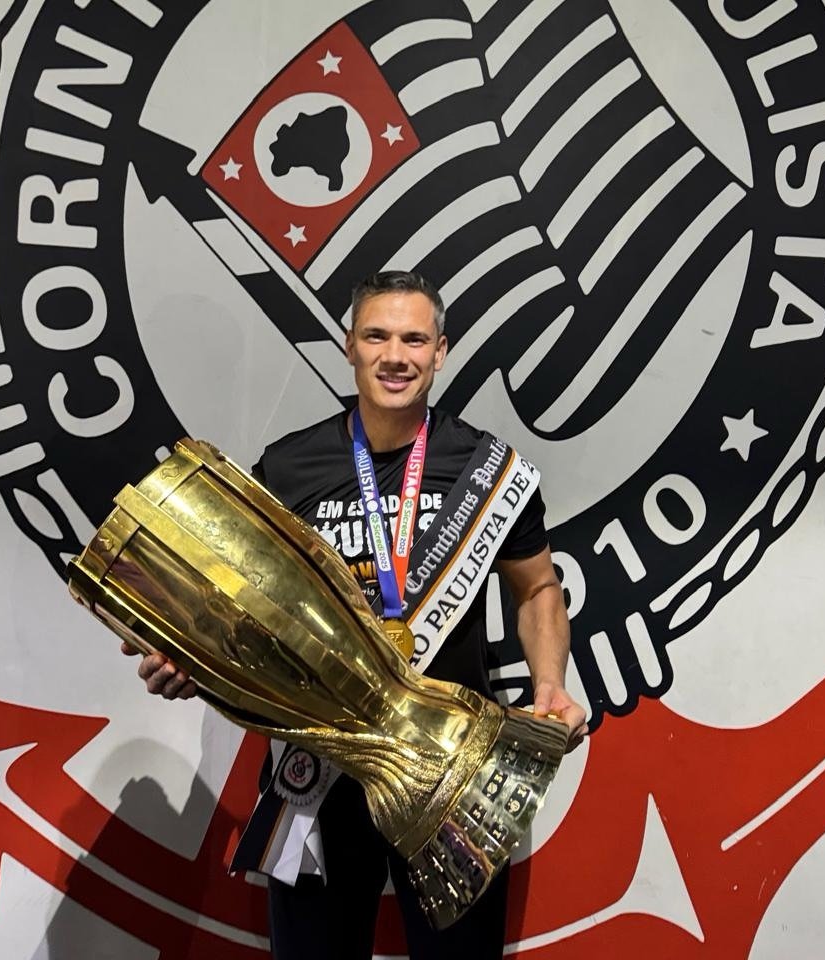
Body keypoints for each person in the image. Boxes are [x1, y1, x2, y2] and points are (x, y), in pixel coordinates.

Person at [125, 270, 589, 959]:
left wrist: (550, 683)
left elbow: (539, 589)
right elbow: (237, 609)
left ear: (441, 351)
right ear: (349, 346)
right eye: (376, 336)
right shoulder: (288, 467)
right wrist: (190, 659)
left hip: (450, 765)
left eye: (414, 339)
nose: (395, 356)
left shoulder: (487, 468)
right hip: (321, 771)